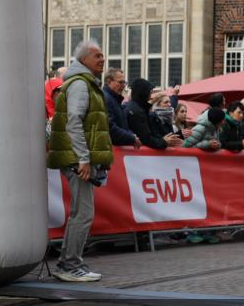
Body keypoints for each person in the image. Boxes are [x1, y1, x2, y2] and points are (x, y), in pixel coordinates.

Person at [46, 41, 112, 282]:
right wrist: (83, 158)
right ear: (84, 60)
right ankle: (69, 265)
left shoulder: (83, 83)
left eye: (103, 55)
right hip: (77, 158)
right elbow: (74, 120)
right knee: (83, 213)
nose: (102, 59)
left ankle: (69, 262)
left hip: (76, 156)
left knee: (81, 212)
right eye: (97, 55)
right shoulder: (81, 84)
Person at [125, 79, 183, 149]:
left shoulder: (140, 109)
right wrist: (163, 142)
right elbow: (146, 138)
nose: (169, 105)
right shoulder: (139, 112)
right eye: (149, 92)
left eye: (169, 102)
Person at [101, 68, 139, 147]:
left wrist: (132, 136)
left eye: (124, 82)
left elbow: (123, 126)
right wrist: (131, 138)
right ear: (109, 81)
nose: (124, 85)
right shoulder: (106, 99)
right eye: (120, 82)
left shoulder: (115, 100)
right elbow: (109, 127)